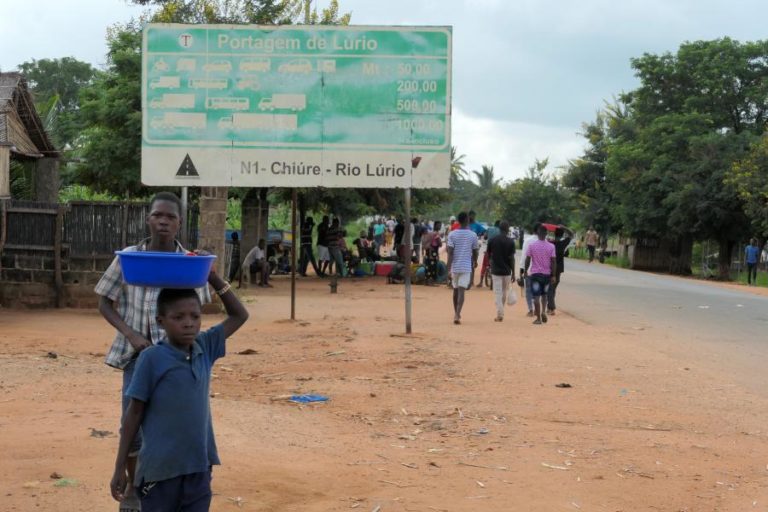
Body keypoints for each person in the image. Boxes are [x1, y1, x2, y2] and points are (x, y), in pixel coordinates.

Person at [95, 191, 212, 512]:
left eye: (170, 217)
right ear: (148, 219)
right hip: (136, 357)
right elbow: (104, 301)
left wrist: (206, 268)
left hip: (174, 358)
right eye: (158, 215)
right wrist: (131, 334)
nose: (163, 221)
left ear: (179, 223)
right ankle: (134, 487)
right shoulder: (129, 258)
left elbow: (198, 305)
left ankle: (171, 484)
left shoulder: (189, 262)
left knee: (168, 425)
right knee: (131, 423)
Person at [110, 273, 249, 511]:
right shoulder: (151, 358)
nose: (188, 323)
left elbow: (239, 315)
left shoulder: (205, 346)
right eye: (178, 317)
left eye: (195, 316)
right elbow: (133, 414)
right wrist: (119, 467)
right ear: (160, 321)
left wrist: (213, 277)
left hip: (198, 468)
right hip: (159, 473)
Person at [447, 212, 479, 325]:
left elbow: (450, 252)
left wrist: (448, 268)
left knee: (455, 290)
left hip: (455, 267)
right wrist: (475, 261)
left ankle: (456, 313)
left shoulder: (452, 234)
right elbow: (475, 251)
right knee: (461, 291)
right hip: (466, 267)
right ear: (467, 220)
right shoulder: (473, 235)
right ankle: (457, 314)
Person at [524, 224, 556, 325]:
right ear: (546, 234)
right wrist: (553, 275)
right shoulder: (551, 246)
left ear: (537, 233)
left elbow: (528, 259)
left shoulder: (532, 245)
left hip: (535, 275)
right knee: (544, 295)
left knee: (536, 297)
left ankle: (538, 319)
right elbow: (553, 261)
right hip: (546, 275)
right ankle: (543, 311)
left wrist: (525, 271)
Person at [487, 221, 516, 322]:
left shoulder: (492, 240)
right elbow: (512, 258)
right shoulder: (511, 242)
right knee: (504, 292)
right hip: (507, 271)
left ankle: (500, 313)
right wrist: (513, 273)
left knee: (498, 293)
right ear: (508, 229)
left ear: (499, 229)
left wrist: (490, 264)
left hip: (496, 271)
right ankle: (501, 312)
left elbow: (488, 255)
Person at [547, 224, 574, 315]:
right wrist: (564, 227)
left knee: (550, 288)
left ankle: (551, 308)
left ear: (554, 234)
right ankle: (550, 307)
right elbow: (571, 235)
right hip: (558, 269)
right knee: (553, 288)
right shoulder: (563, 244)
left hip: (550, 268)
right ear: (562, 235)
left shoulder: (550, 243)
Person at [519, 226, 537, 316]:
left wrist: (522, 270)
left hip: (529, 270)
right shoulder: (545, 241)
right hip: (541, 272)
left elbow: (524, 256)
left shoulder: (528, 240)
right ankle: (537, 308)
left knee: (529, 290)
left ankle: (531, 310)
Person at [478, 220, 501, 288]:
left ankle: (481, 282)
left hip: (489, 250)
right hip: (498, 251)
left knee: (484, 265)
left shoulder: (489, 229)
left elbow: (485, 237)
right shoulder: (501, 231)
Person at [467, 211, 486, 289]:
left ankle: (471, 281)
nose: (472, 217)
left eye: (474, 216)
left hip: (474, 247)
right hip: (466, 246)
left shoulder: (477, 225)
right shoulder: (466, 224)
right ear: (468, 216)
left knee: (473, 263)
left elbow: (484, 231)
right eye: (471, 215)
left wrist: (480, 235)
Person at [423, 220, 442, 285]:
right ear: (435, 225)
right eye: (439, 225)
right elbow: (440, 244)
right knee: (433, 266)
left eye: (440, 225)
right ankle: (431, 281)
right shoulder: (436, 234)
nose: (439, 226)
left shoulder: (430, 233)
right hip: (433, 251)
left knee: (428, 265)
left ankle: (427, 281)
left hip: (428, 251)